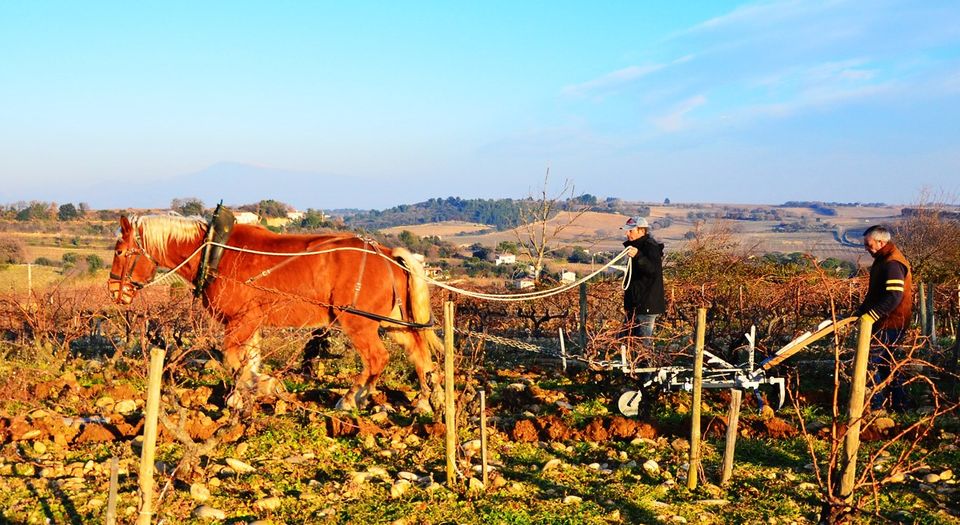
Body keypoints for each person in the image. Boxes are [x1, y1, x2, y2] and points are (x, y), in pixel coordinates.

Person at [853, 224, 913, 411]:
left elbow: (894, 296)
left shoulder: (892, 263)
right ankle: (900, 404)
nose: (866, 248)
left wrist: (870, 316)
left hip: (890, 322)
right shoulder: (883, 259)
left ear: (881, 242)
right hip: (889, 321)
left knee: (869, 361)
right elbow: (875, 294)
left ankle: (875, 405)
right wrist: (860, 311)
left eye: (868, 244)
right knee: (888, 364)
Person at [620, 216, 666, 340]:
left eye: (630, 230)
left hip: (646, 305)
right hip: (635, 304)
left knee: (642, 344)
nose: (627, 233)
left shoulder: (651, 247)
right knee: (628, 340)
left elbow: (652, 270)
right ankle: (633, 359)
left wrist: (638, 256)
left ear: (641, 231)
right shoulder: (636, 246)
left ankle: (645, 360)